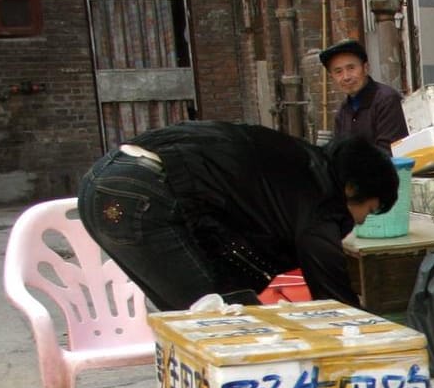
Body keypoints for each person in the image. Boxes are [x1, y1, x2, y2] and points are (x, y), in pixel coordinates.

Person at [76, 121, 398, 311]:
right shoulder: (321, 192)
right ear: (352, 187)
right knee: (226, 325)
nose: (358, 223)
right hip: (141, 194)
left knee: (197, 316)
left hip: (102, 184)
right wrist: (371, 338)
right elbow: (334, 299)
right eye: (367, 211)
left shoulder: (298, 161)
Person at [321, 39, 408, 150]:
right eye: (338, 72)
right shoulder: (342, 112)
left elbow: (389, 151)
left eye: (351, 68)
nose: (346, 77)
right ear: (331, 77)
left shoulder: (387, 100)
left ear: (366, 68)